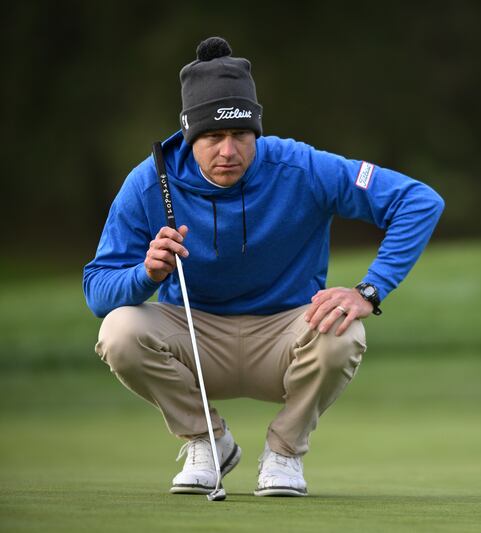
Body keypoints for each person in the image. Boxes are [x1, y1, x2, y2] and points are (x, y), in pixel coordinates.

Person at [82, 36, 444, 497]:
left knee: (345, 330)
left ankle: (285, 452)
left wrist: (370, 291)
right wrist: (145, 275)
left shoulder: (301, 165)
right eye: (213, 137)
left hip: (285, 334)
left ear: (257, 132)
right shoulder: (150, 180)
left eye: (240, 135)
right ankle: (207, 442)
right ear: (190, 136)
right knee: (119, 330)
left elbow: (418, 200)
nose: (228, 151)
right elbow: (97, 291)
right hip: (194, 337)